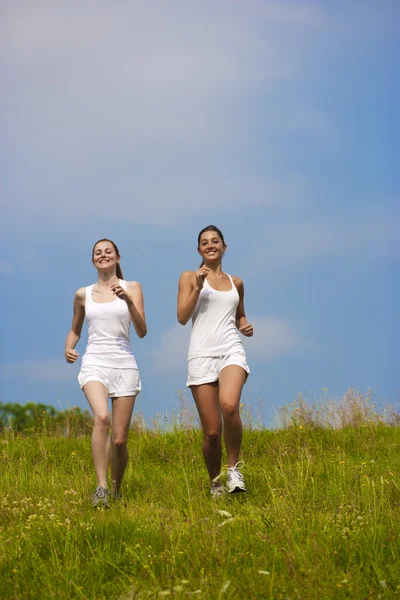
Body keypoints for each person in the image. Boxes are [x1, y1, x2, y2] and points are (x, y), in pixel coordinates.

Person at [64, 239, 147, 507]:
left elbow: (142, 331)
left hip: (124, 363)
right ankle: (100, 488)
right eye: (98, 253)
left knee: (120, 439)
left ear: (117, 257)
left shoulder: (132, 287)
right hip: (94, 362)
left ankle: (115, 489)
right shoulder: (82, 294)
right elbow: (75, 329)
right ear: (93, 261)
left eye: (108, 251)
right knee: (101, 418)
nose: (103, 255)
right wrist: (69, 348)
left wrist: (130, 302)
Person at [177, 225, 253, 496]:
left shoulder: (237, 283)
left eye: (215, 241)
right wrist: (197, 288)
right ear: (199, 249)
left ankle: (234, 470)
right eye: (204, 242)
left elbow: (239, 315)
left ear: (224, 246)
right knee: (211, 432)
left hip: (231, 349)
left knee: (229, 406)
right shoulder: (189, 277)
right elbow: (182, 317)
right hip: (201, 354)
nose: (210, 245)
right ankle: (216, 482)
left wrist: (244, 325)